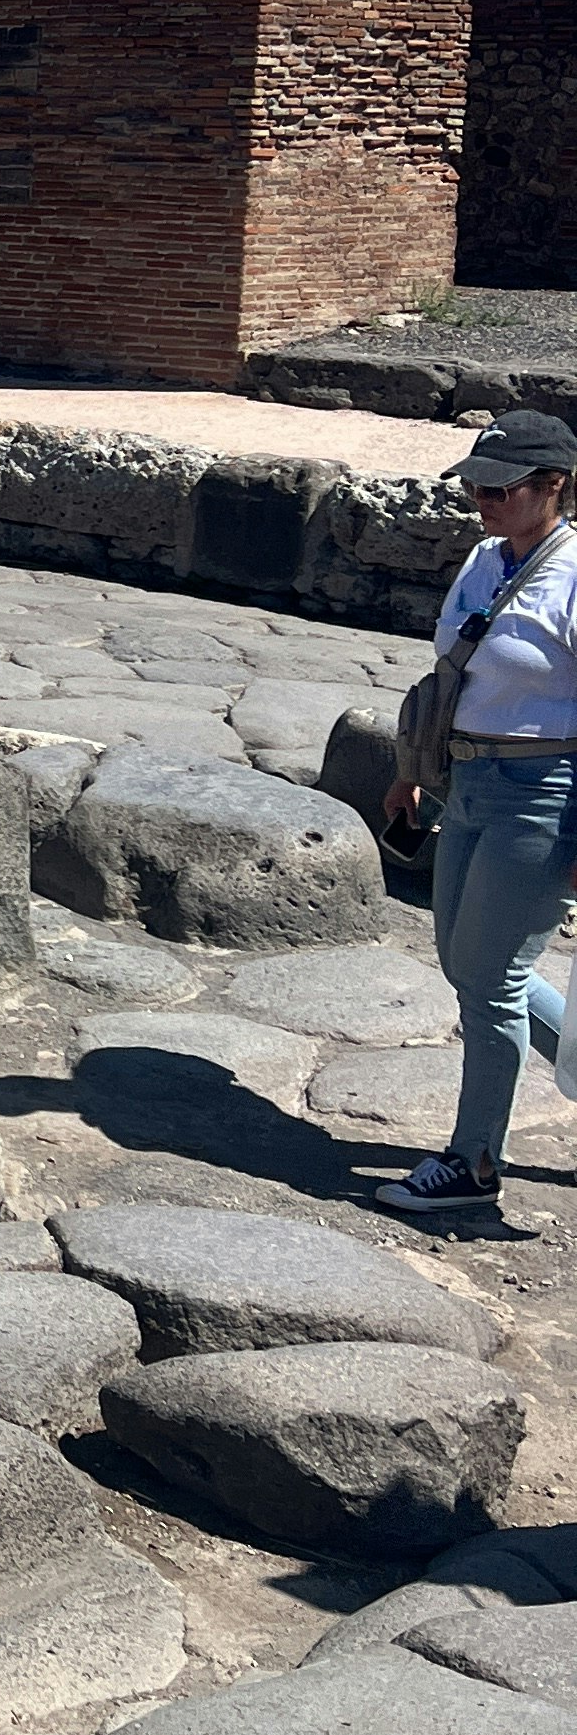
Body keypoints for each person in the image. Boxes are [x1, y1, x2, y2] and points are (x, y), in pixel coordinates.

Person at [378, 408, 577, 1221]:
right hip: (465, 781)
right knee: (471, 967)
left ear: (554, 484)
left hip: (543, 794)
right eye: (473, 486)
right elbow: (453, 674)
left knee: (492, 980)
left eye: (499, 488)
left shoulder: (573, 575)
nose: (481, 501)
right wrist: (412, 772)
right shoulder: (484, 559)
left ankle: (473, 1163)